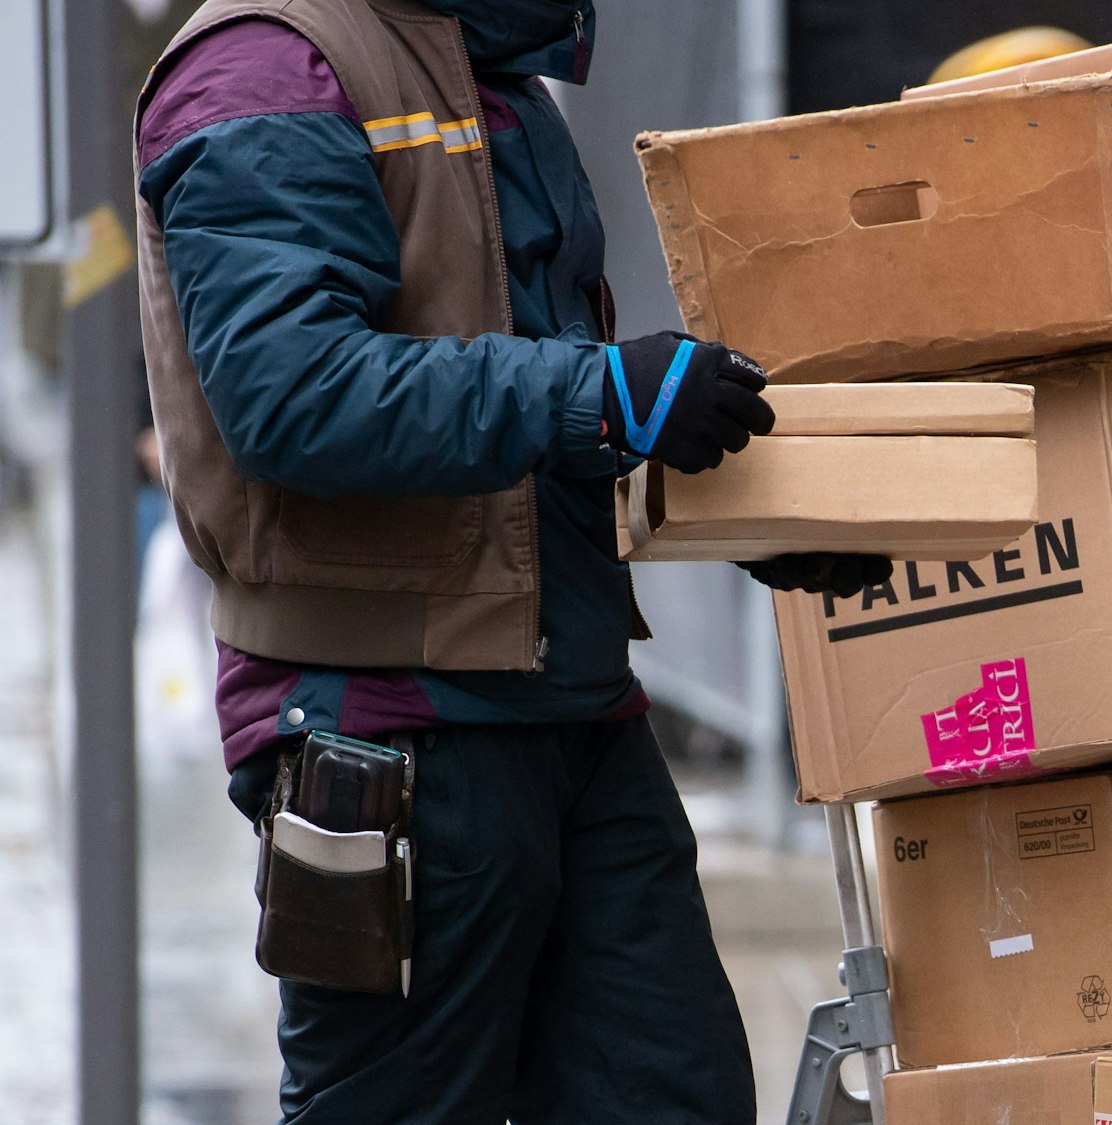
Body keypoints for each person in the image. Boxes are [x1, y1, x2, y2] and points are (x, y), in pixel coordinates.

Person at [134, 1, 887, 1119]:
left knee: (672, 1097)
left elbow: (529, 433)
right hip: (391, 725)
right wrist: (606, 394)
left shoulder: (485, 71)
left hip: (571, 707)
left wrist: (746, 520)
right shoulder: (273, 65)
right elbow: (294, 398)